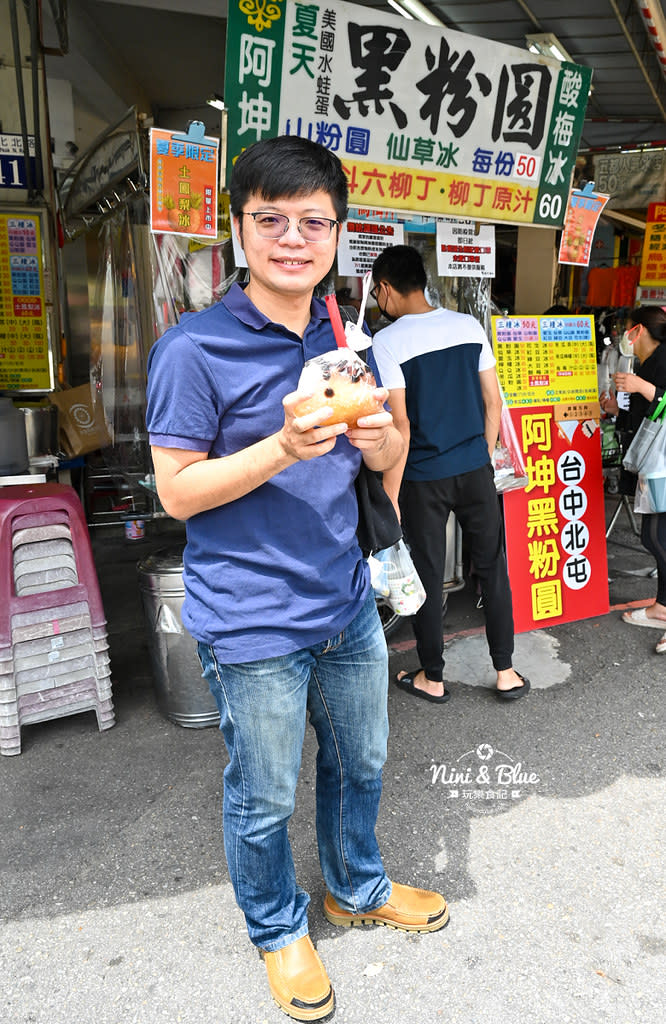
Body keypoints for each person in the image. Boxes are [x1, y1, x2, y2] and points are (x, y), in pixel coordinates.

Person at [145, 136, 448, 1022]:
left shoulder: (346, 337)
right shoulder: (191, 349)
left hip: (346, 599)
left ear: (338, 234)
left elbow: (389, 460)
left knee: (363, 764)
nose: (291, 238)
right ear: (238, 229)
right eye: (269, 219)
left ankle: (355, 886)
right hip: (250, 617)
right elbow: (176, 492)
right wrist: (279, 446)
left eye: (312, 221)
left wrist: (381, 440)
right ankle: (278, 928)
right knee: (264, 791)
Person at [370, 244, 529, 703]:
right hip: (475, 468)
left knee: (427, 572)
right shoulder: (467, 325)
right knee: (493, 567)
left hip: (422, 476)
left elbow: (399, 425)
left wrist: (391, 495)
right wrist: (479, 453)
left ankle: (433, 677)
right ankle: (506, 672)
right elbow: (493, 402)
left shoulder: (388, 341)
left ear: (385, 289)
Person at [600, 306, 666, 652]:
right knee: (653, 535)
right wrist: (617, 406)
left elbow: (659, 400)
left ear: (638, 330)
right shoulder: (647, 361)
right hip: (651, 460)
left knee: (657, 536)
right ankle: (661, 607)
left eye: (626, 328)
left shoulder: (662, 361)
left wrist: (642, 387)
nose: (623, 335)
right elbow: (644, 406)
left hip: (663, 462)